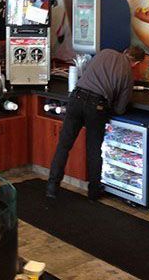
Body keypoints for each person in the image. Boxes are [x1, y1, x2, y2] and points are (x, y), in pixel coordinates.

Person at [46, 48, 135, 201]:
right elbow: (120, 109)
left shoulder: (104, 52)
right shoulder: (128, 72)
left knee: (63, 145)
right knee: (93, 150)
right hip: (97, 105)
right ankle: (93, 192)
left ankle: (52, 187)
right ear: (136, 62)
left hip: (77, 96)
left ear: (125, 51)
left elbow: (88, 72)